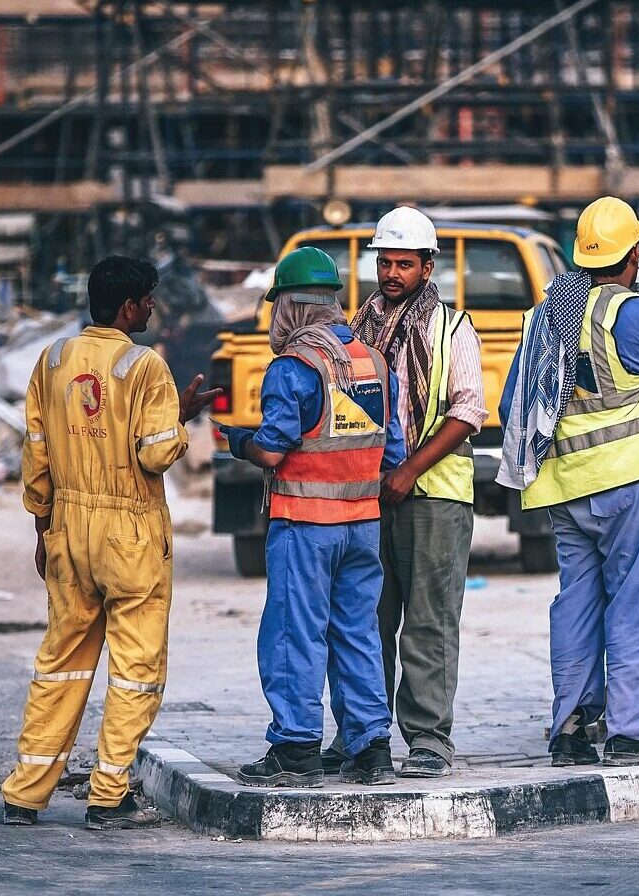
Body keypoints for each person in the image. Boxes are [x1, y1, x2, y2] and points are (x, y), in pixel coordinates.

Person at [497, 197, 639, 767]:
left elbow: (516, 400)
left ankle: (571, 729)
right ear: (633, 259)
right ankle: (630, 730)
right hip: (631, 478)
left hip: (565, 485)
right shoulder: (635, 315)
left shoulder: (550, 312)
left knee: (577, 603)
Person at [2, 255, 218, 830]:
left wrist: (42, 528)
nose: (151, 309)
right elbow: (154, 452)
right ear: (128, 307)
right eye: (147, 300)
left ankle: (25, 793)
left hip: (68, 528)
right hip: (129, 532)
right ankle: (107, 796)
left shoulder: (52, 359)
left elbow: (37, 452)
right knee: (134, 669)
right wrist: (181, 416)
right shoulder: (144, 366)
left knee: (60, 664)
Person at [217, 247, 405, 788]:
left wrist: (240, 444)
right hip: (363, 525)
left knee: (294, 633)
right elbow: (390, 453)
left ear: (292, 307)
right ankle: (371, 749)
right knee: (357, 632)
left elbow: (273, 452)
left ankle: (296, 747)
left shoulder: (292, 367)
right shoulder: (372, 360)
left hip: (304, 524)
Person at [326, 207, 486, 779]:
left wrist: (408, 471)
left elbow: (468, 411)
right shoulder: (357, 330)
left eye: (404, 264)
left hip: (434, 496)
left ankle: (427, 738)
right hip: (367, 496)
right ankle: (362, 735)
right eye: (385, 262)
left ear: (427, 266)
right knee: (365, 620)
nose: (392, 273)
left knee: (428, 619)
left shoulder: (452, 327)